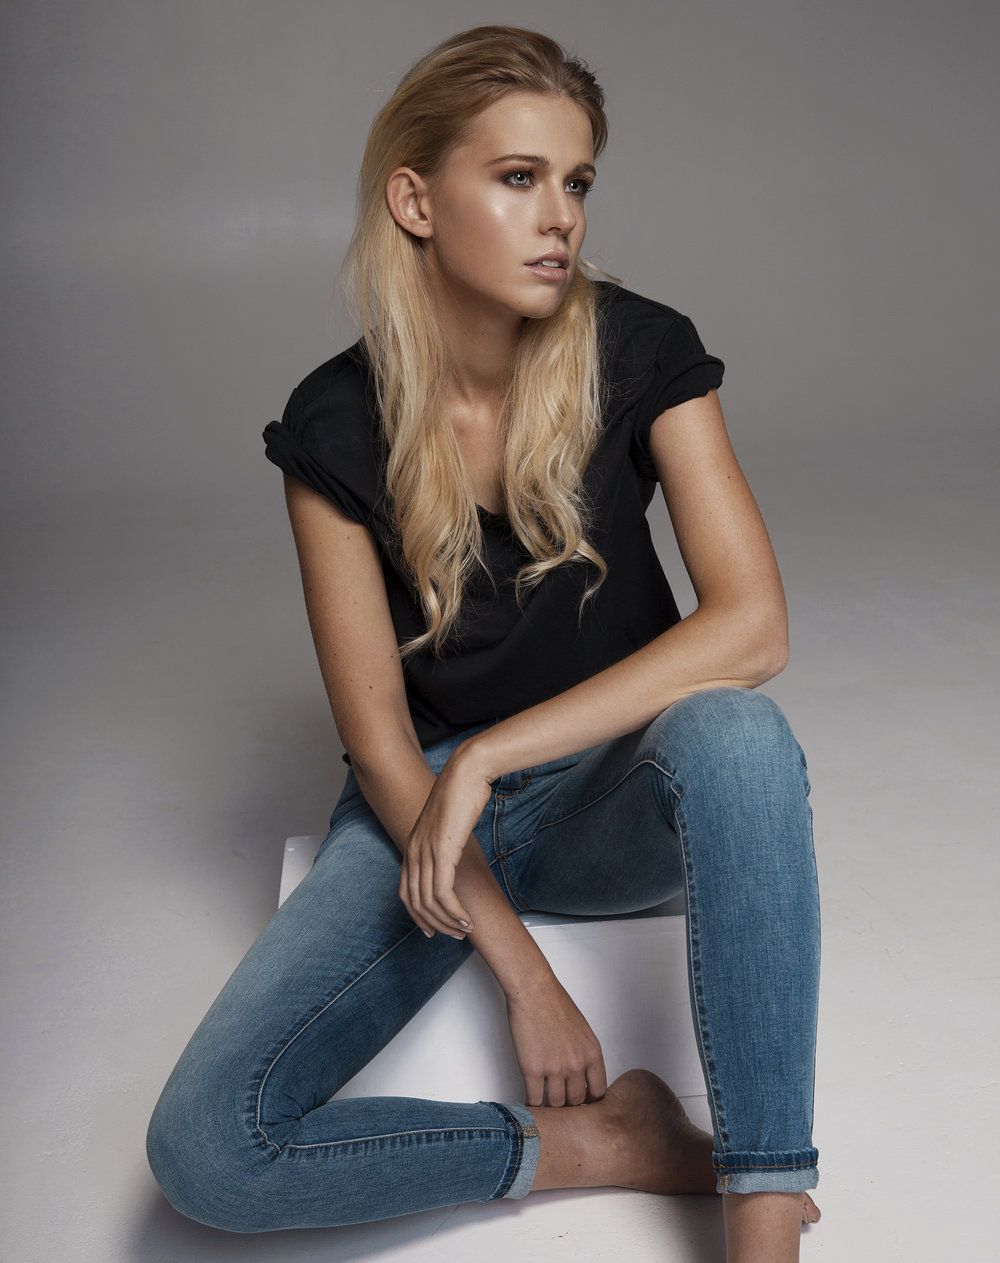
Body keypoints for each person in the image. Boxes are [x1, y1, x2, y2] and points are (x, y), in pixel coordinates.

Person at [145, 24, 823, 1262]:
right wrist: (527, 978)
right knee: (208, 1150)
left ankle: (764, 1210)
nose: (558, 217)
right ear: (415, 201)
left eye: (575, 181)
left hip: (607, 796)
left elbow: (753, 626)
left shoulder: (642, 349)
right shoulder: (331, 425)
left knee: (737, 733)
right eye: (517, 178)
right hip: (426, 823)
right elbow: (379, 744)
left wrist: (490, 757)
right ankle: (612, 1147)